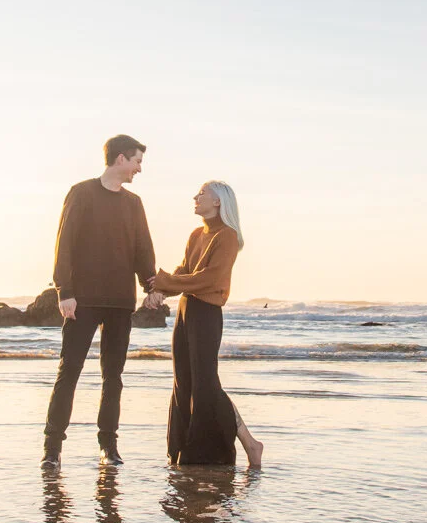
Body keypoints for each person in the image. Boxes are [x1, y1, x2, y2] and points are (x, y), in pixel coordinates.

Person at [43, 134, 165, 468]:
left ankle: (108, 447)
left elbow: (143, 248)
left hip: (120, 303)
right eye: (137, 161)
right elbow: (63, 244)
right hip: (82, 300)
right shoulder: (81, 193)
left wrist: (150, 286)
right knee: (69, 372)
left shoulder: (134, 203)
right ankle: (52, 449)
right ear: (121, 159)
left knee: (113, 377)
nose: (139, 169)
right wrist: (64, 292)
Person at [152, 181, 264, 469]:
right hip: (186, 310)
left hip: (207, 313)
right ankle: (183, 451)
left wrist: (165, 282)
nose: (195, 197)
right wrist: (160, 291)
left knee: (206, 384)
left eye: (202, 193)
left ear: (218, 202)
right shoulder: (195, 235)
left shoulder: (227, 236)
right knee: (183, 382)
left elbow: (209, 279)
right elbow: (185, 273)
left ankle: (237, 446)